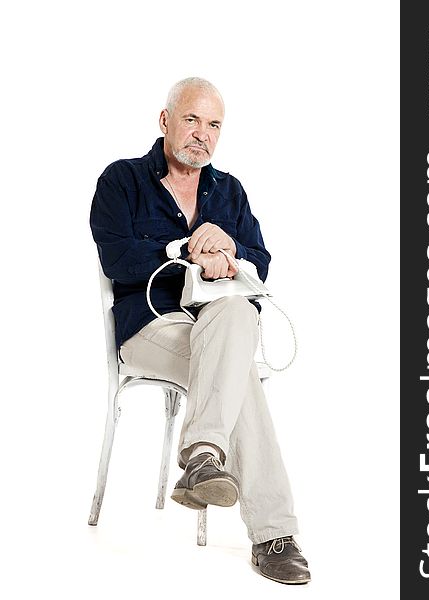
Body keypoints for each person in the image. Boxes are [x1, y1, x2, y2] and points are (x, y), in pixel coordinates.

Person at [90, 77, 310, 585]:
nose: (202, 135)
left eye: (214, 125)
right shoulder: (121, 181)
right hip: (149, 327)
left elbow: (261, 263)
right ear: (165, 120)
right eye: (192, 119)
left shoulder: (228, 191)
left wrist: (230, 251)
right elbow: (118, 259)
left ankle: (203, 456)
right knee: (240, 379)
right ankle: (275, 534)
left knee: (236, 315)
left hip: (219, 325)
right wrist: (185, 248)